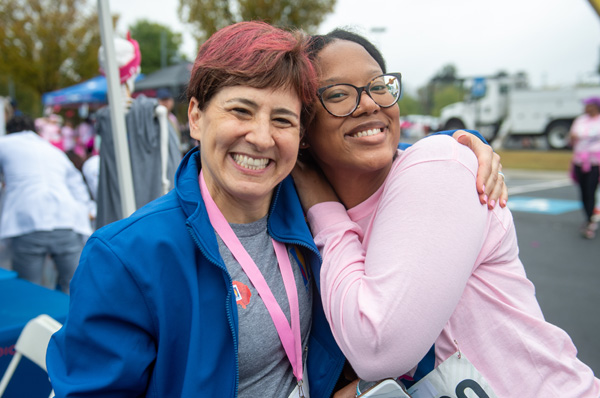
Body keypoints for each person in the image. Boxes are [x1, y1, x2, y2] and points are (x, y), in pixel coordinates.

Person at [46, 22, 503, 398]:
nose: (262, 137)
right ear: (196, 116)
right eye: (241, 111)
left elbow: (366, 151)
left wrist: (456, 152)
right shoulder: (126, 257)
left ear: (300, 137)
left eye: (282, 119)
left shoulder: (314, 214)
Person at [292, 29, 600, 397]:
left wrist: (321, 206)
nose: (370, 103)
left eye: (379, 86)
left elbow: (379, 349)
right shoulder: (292, 220)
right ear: (303, 128)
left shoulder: (440, 165)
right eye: (338, 94)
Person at [0, 115, 94, 293]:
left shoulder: (4, 143)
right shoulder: (51, 149)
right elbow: (77, 186)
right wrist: (84, 212)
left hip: (27, 221)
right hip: (67, 220)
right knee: (73, 287)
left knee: (31, 290)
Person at [569, 96, 600, 239]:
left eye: (588, 105)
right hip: (580, 161)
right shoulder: (580, 120)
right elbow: (571, 139)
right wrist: (572, 137)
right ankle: (589, 217)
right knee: (583, 192)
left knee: (590, 191)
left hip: (595, 162)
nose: (585, 108)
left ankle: (589, 220)